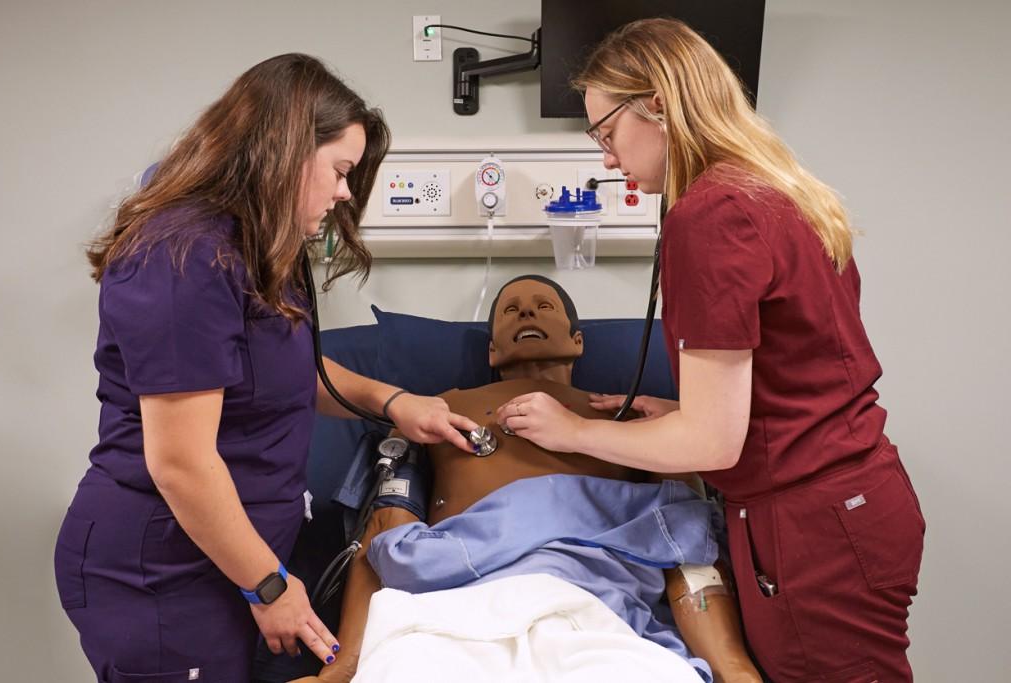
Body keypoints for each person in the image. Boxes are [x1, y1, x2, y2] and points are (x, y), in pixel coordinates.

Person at [494, 18, 925, 683]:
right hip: (855, 502)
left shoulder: (710, 216)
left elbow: (712, 446)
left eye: (607, 134)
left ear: (658, 104)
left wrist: (575, 429)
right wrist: (683, 407)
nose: (607, 158)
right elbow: (802, 369)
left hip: (814, 528)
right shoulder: (775, 192)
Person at [53, 53, 478, 683]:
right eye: (339, 171)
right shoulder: (184, 257)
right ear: (283, 151)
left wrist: (393, 402)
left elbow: (281, 371)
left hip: (227, 558)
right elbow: (180, 462)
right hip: (163, 571)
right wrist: (270, 587)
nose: (343, 193)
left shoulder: (250, 245)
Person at [294, 275, 761, 683]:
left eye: (543, 307)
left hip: (595, 598)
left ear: (577, 340)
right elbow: (382, 534)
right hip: (461, 595)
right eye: (511, 311)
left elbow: (688, 544)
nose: (526, 315)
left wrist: (733, 670)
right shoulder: (438, 409)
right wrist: (343, 669)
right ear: (492, 349)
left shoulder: (632, 416)